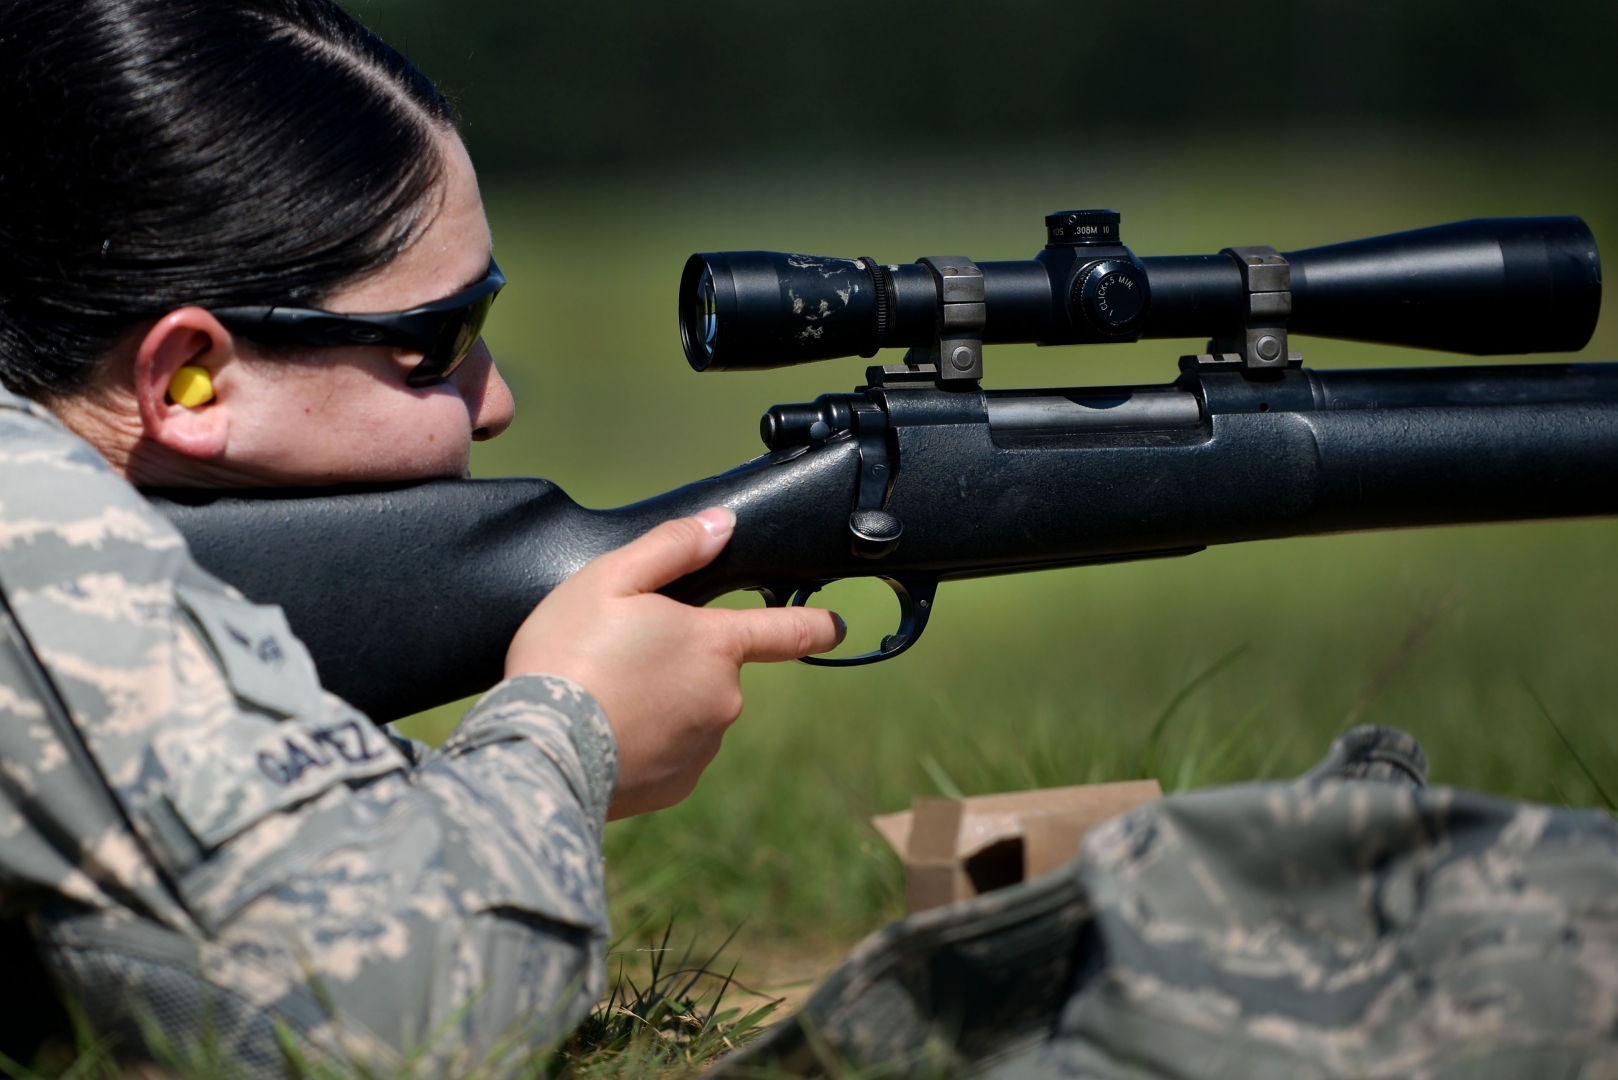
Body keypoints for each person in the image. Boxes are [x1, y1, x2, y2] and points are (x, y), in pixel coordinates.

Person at [0, 0, 840, 1072]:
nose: (493, 405)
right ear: (186, 381)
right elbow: (390, 1016)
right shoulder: (33, 533)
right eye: (441, 343)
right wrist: (565, 730)